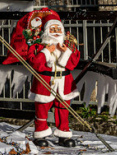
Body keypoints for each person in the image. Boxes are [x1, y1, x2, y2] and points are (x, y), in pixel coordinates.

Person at [27, 15, 81, 147]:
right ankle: (41, 134)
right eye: (52, 28)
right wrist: (46, 51)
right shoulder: (38, 46)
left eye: (58, 28)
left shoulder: (68, 45)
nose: (56, 30)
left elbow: (72, 64)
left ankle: (63, 134)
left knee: (63, 108)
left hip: (64, 82)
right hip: (45, 81)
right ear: (46, 31)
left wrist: (66, 51)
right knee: (42, 109)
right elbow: (35, 64)